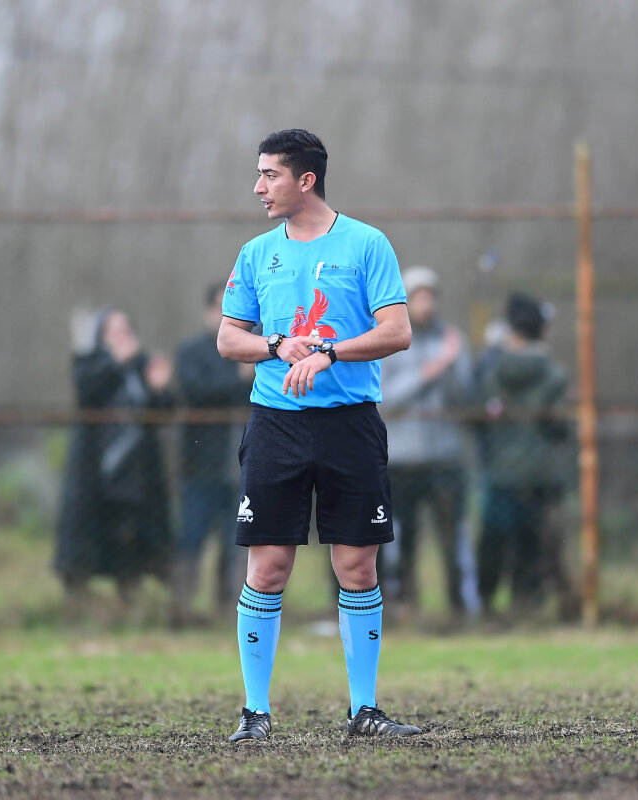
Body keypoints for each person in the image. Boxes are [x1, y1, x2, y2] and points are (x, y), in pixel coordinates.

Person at [218, 129, 420, 742]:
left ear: (305, 180)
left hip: (350, 424)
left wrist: (330, 352)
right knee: (268, 566)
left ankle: (365, 711)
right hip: (275, 424)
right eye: (259, 174)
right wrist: (277, 345)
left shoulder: (367, 244)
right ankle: (255, 714)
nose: (259, 187)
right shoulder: (256, 253)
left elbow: (398, 331)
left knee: (357, 565)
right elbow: (229, 339)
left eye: (270, 175)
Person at [55, 307, 174, 616]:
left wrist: (159, 388)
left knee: (129, 541)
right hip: (96, 474)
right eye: (113, 331)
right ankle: (78, 605)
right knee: (86, 541)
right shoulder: (91, 364)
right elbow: (87, 390)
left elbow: (164, 411)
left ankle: (128, 601)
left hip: (134, 475)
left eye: (126, 330)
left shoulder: (142, 366)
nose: (122, 337)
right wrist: (116, 362)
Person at [381, 265, 479, 616]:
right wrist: (431, 370)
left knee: (452, 535)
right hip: (401, 460)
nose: (426, 304)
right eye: (418, 297)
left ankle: (459, 605)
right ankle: (405, 602)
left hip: (444, 458)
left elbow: (464, 396)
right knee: (402, 537)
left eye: (430, 297)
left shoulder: (452, 341)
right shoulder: (387, 341)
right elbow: (385, 399)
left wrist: (449, 366)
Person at [475, 293, 571, 616]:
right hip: (541, 475)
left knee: (495, 540)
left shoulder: (493, 372)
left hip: (500, 472)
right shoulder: (554, 375)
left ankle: (485, 602)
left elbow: (479, 418)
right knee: (533, 543)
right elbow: (560, 426)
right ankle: (528, 605)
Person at [172, 283, 254, 625]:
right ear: (208, 311)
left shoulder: (255, 347)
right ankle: (181, 609)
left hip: (242, 465)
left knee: (236, 543)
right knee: (192, 536)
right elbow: (197, 391)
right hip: (201, 465)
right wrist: (238, 378)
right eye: (220, 307)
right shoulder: (191, 351)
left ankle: (230, 609)